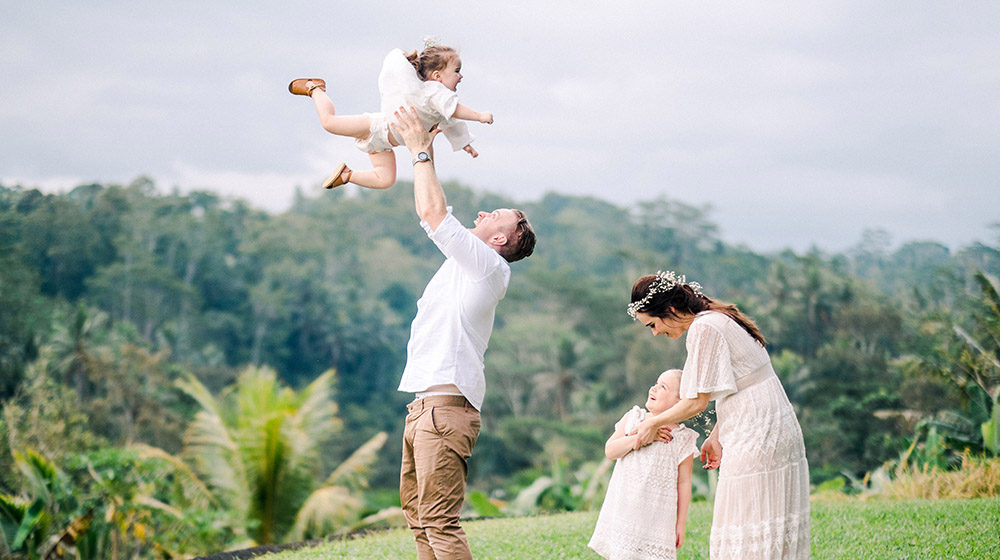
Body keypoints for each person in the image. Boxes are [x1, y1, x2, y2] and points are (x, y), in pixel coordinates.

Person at [389, 105, 535, 559]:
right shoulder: (464, 264)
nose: (486, 210)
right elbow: (433, 211)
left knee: (439, 521)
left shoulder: (487, 266)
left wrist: (418, 153)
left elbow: (433, 214)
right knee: (419, 520)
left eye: (498, 216)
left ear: (499, 241)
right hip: (423, 409)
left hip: (445, 412)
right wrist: (427, 146)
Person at [626, 270, 810, 560]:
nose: (655, 332)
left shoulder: (705, 328)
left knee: (747, 518)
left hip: (758, 430)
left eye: (653, 323)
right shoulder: (716, 318)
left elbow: (695, 402)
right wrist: (716, 435)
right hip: (766, 420)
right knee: (762, 518)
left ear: (670, 310)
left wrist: (652, 421)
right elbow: (738, 383)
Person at [288, 38, 493, 191]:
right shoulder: (433, 90)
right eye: (457, 71)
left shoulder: (440, 100)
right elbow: (456, 110)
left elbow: (452, 121)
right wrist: (480, 116)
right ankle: (315, 88)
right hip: (377, 127)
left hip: (383, 145)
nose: (461, 76)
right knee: (329, 123)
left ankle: (347, 175)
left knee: (385, 180)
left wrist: (465, 143)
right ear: (437, 76)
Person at [588, 369, 699, 560]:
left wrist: (680, 523)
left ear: (680, 403)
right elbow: (610, 450)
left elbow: (684, 482)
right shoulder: (634, 418)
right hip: (626, 508)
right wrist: (642, 437)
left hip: (658, 515)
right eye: (656, 383)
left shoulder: (683, 438)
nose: (654, 388)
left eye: (663, 387)